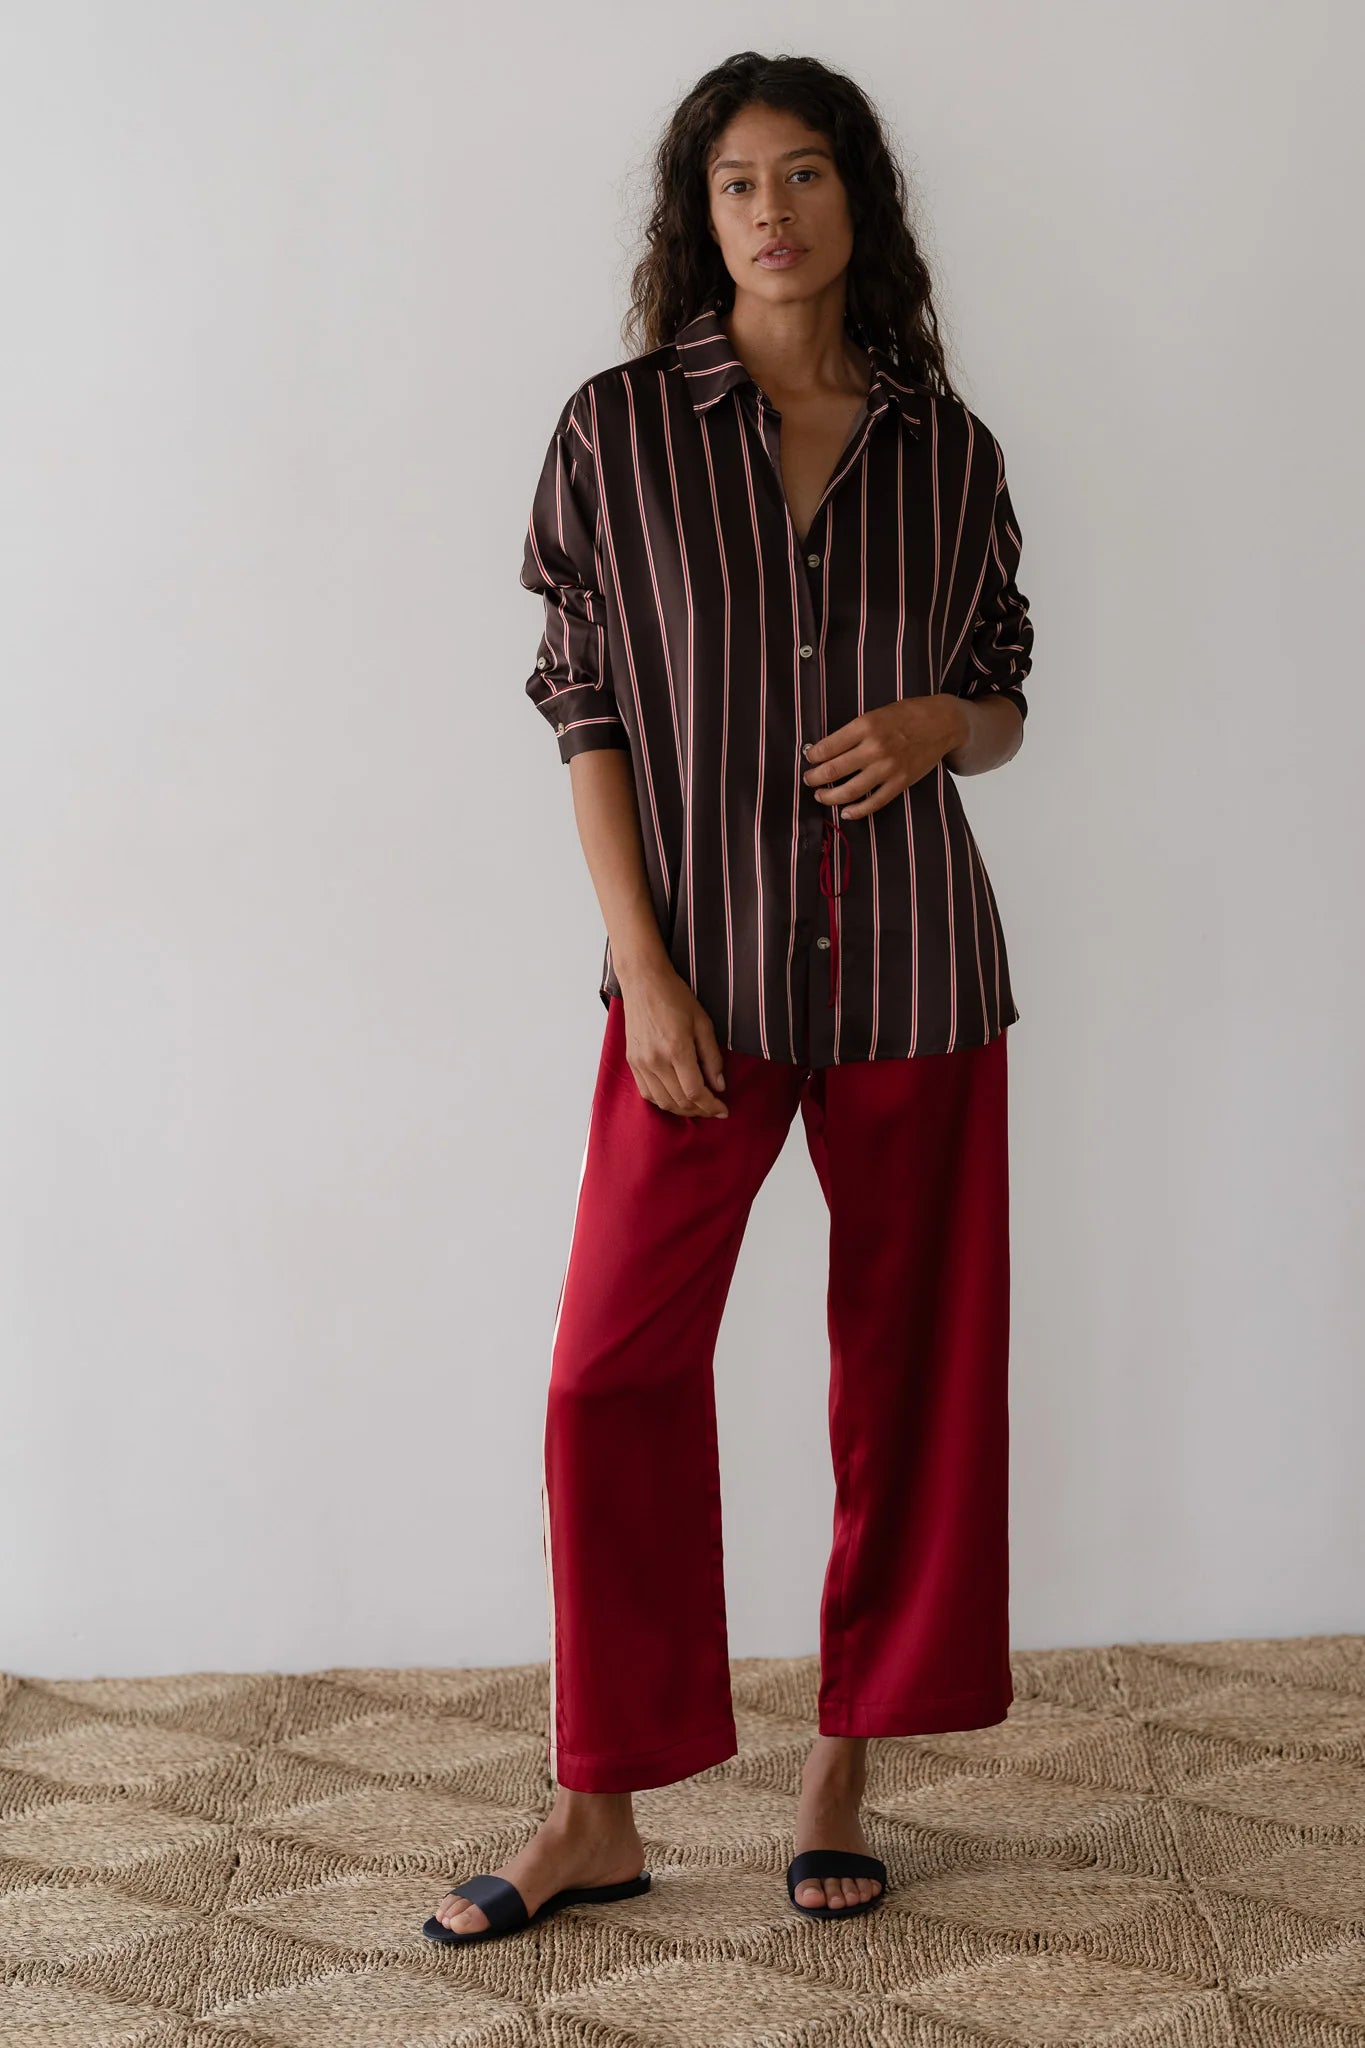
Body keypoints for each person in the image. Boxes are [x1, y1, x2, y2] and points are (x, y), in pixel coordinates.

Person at [426, 47, 1034, 1946]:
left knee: (914, 1383)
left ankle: (842, 1766)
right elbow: (581, 699)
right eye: (737, 185)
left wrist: (946, 720)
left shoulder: (947, 451)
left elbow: (1004, 689)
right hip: (694, 987)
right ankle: (595, 1802)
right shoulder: (617, 429)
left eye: (806, 175)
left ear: (860, 203)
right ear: (701, 223)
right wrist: (637, 960)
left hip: (918, 973)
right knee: (606, 1369)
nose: (773, 213)